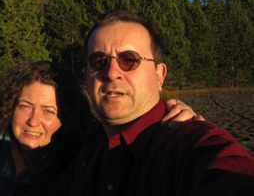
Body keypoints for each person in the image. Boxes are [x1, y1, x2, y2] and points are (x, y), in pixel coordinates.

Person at [49, 10, 254, 196]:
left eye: (129, 59)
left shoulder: (188, 143)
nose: (111, 73)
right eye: (98, 62)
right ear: (86, 75)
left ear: (159, 76)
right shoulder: (88, 143)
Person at [0, 61, 198, 195]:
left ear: (66, 119)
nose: (33, 121)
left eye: (49, 111)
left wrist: (174, 122)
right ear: (9, 107)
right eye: (25, 106)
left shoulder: (75, 167)